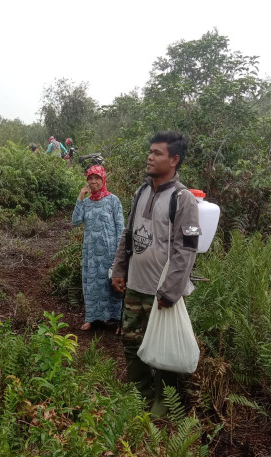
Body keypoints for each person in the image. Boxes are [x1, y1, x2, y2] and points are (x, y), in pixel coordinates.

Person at [110, 131, 200, 417]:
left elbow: (187, 249)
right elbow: (129, 233)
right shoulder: (142, 191)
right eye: (150, 152)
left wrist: (171, 292)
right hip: (135, 285)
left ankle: (166, 401)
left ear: (174, 160)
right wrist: (119, 269)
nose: (150, 157)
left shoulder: (182, 199)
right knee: (130, 341)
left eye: (157, 153)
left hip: (162, 292)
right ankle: (142, 392)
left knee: (164, 347)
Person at [72, 165, 124, 331]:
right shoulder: (86, 203)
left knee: (112, 285)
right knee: (92, 285)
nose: (93, 182)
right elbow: (75, 221)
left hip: (110, 253)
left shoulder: (113, 200)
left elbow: (120, 227)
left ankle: (116, 319)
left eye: (97, 178)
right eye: (90, 178)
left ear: (103, 180)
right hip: (91, 254)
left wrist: (119, 253)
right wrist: (80, 197)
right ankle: (93, 318)